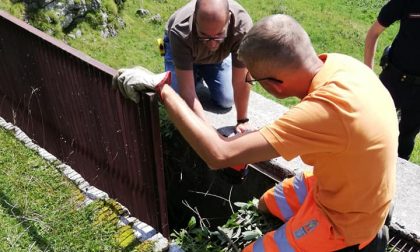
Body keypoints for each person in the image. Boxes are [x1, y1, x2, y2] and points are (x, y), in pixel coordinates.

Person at [114, 14, 398, 251]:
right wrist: (245, 143)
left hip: (346, 219)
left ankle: (366, 241)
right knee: (266, 204)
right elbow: (313, 128)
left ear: (275, 84)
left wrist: (163, 88)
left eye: (253, 79)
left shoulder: (324, 112)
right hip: (344, 180)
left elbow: (218, 155)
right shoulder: (340, 64)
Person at [163, 0, 253, 133]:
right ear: (195, 19)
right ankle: (193, 71)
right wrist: (211, 133)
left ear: (228, 19)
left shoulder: (242, 27)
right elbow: (187, 93)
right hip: (179, 48)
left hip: (217, 57)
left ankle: (198, 71)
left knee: (226, 100)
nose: (211, 45)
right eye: (204, 35)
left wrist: (242, 121)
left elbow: (242, 80)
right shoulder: (181, 31)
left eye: (218, 35)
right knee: (178, 102)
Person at [364, 0, 420, 160]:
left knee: (405, 140)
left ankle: (395, 180)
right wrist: (368, 75)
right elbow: (374, 32)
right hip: (393, 79)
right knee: (370, 127)